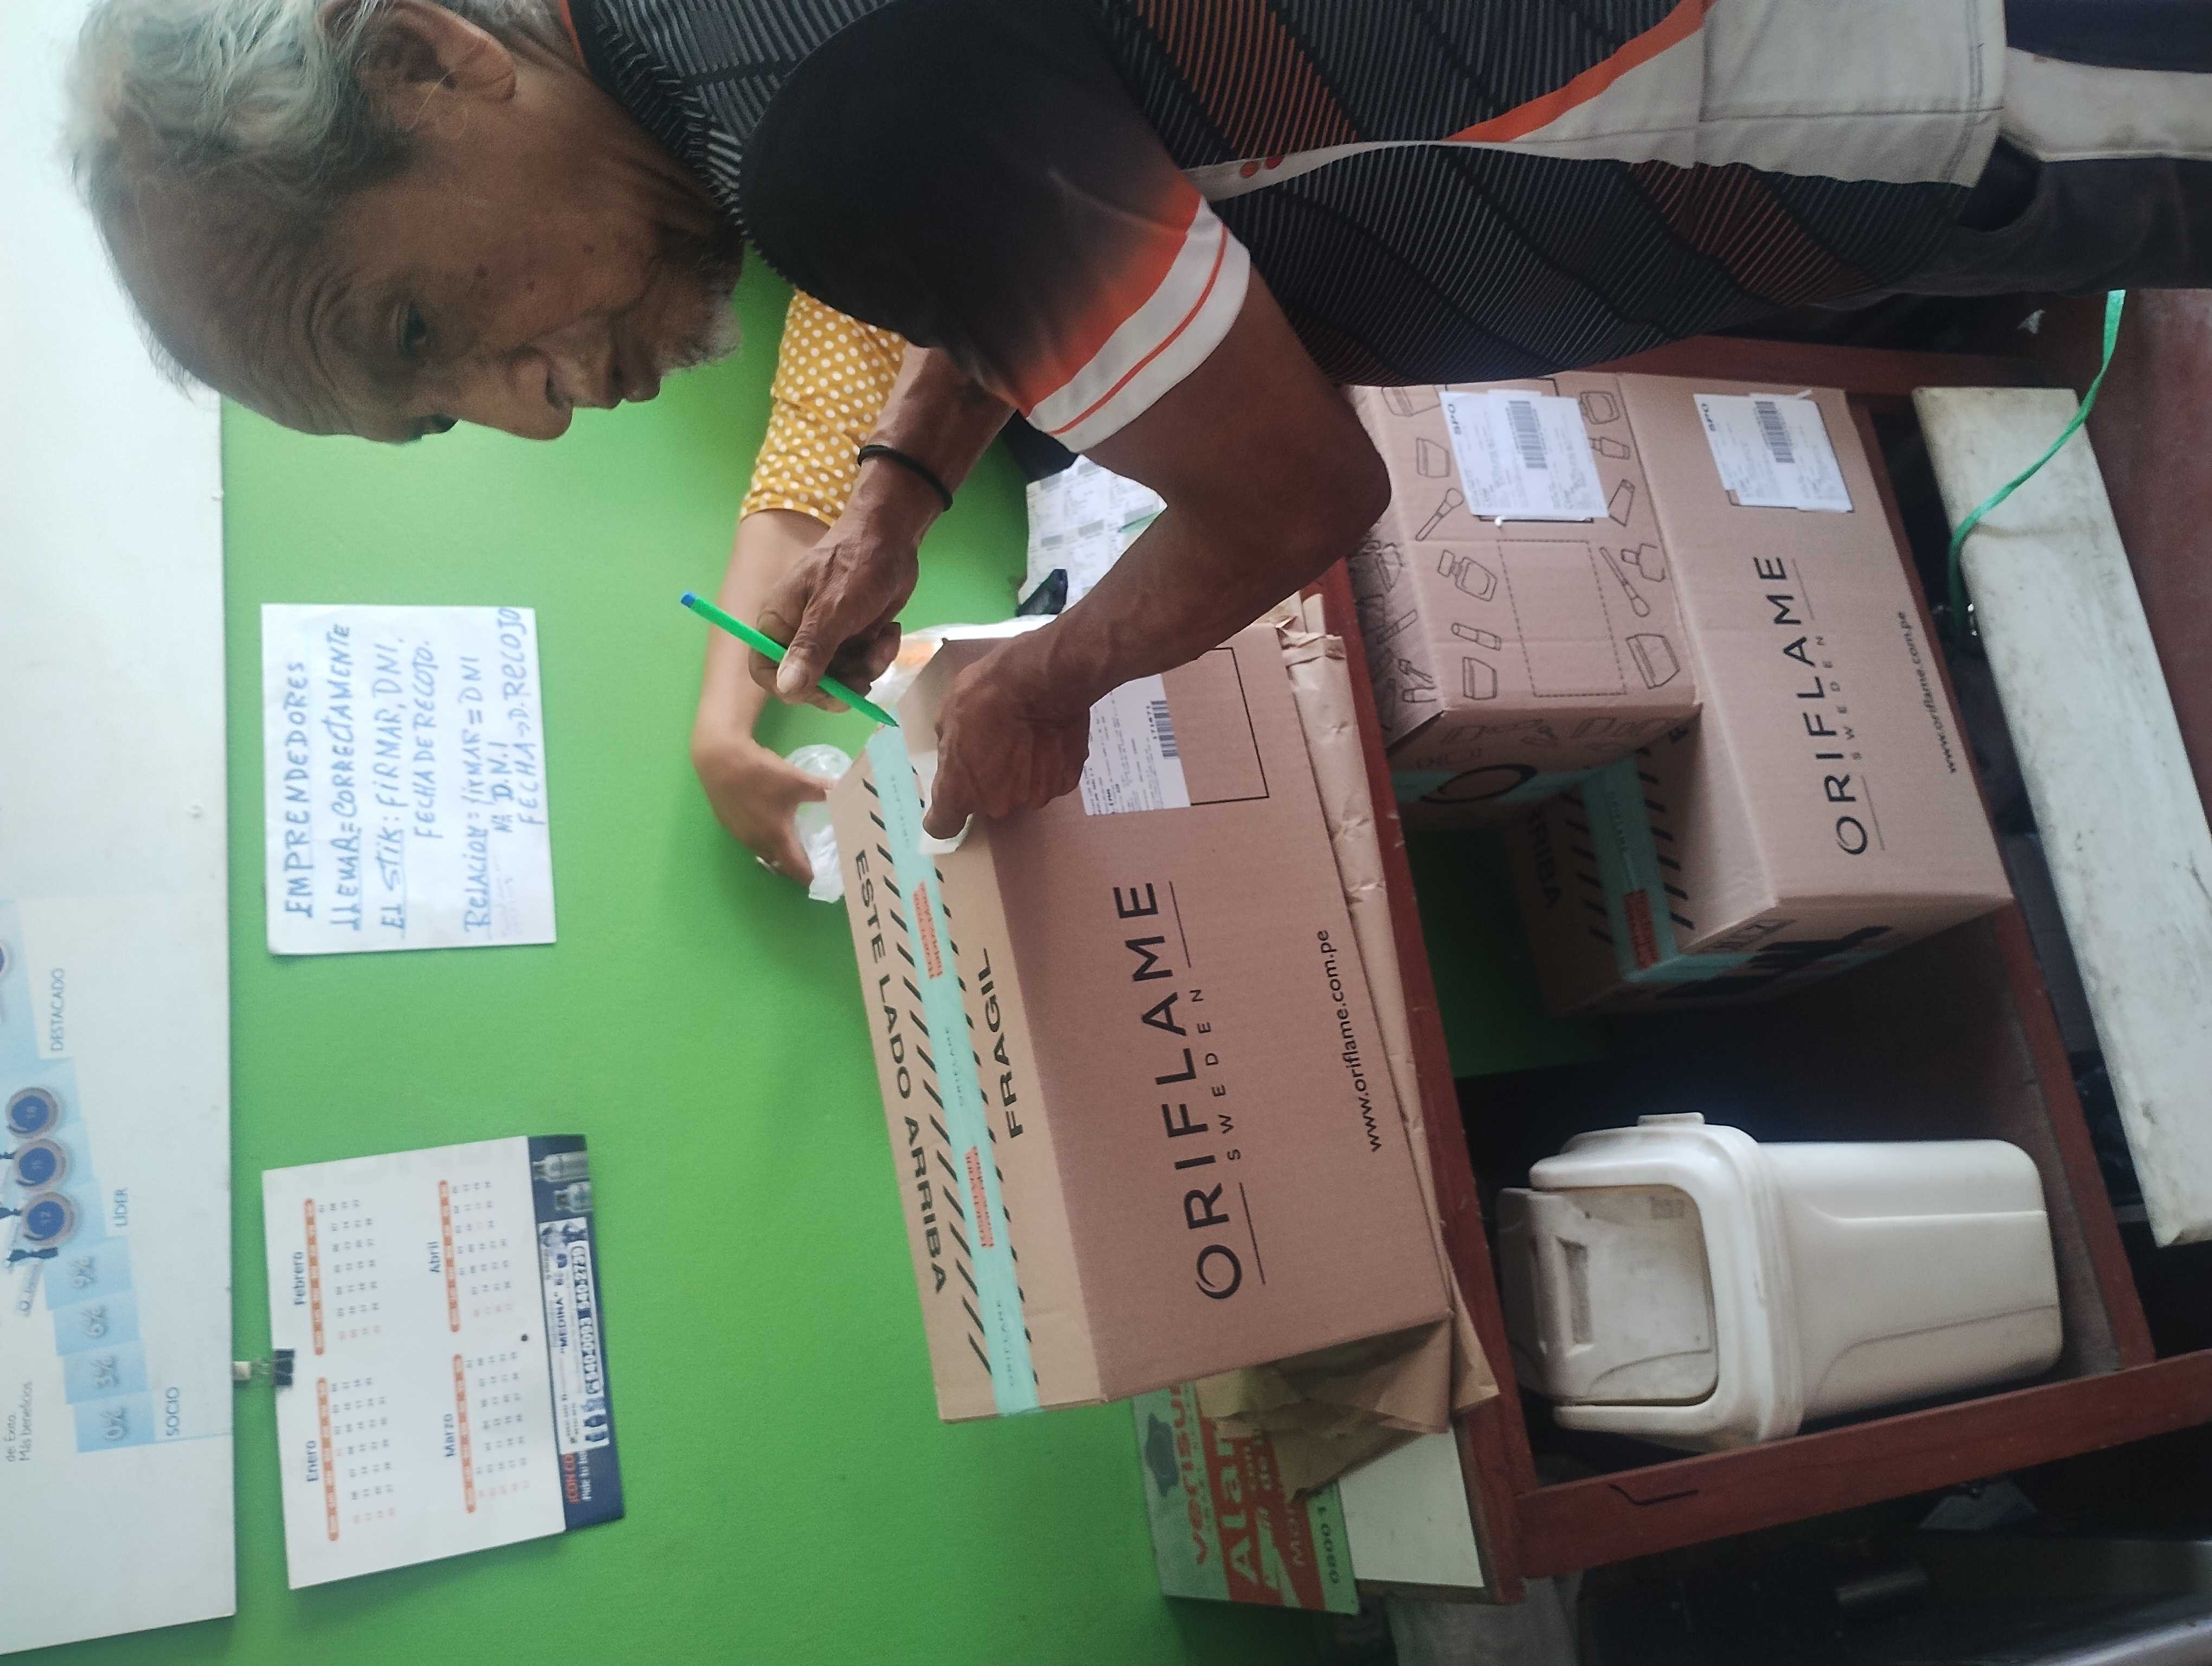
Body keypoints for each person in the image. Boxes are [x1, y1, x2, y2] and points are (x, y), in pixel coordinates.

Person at [68, 0, 2212, 838]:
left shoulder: (806, 144)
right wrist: (905, 478)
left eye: (427, 326)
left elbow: (1296, 490)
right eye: (443, 418)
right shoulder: (732, 71)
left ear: (431, 58)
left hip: (1853, 67)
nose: (530, 415)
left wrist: (1051, 673)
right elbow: (1061, 142)